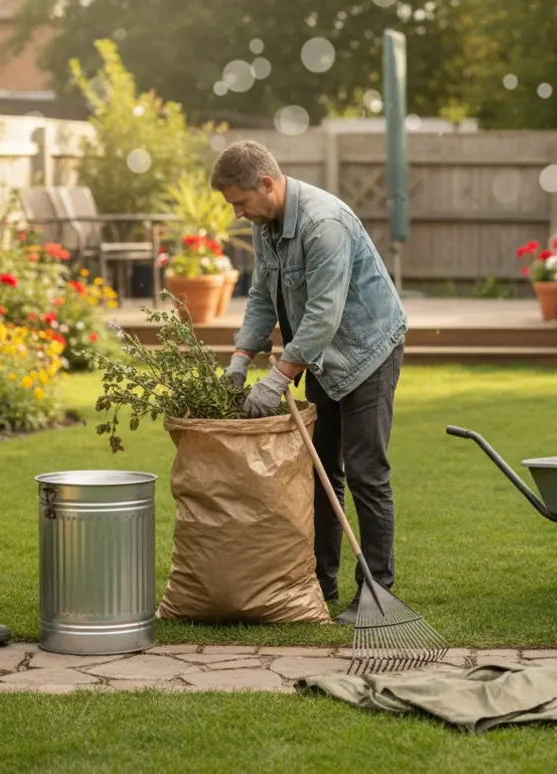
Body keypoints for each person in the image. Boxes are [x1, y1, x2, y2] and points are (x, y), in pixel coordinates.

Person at [210, 140, 407, 625]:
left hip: (367, 352)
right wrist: (240, 359)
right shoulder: (267, 225)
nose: (238, 213)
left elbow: (323, 314)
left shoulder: (324, 223)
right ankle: (319, 583)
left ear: (267, 184)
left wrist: (278, 378)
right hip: (320, 359)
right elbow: (261, 295)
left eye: (240, 201)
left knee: (366, 473)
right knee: (321, 473)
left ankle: (376, 594)